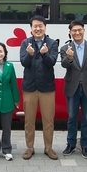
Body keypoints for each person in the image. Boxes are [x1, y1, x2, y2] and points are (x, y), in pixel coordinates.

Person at [19, 15, 60, 160]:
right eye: (35, 26)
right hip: (30, 87)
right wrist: (30, 55)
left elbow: (52, 62)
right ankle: (29, 148)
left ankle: (48, 148)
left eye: (40, 26)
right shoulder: (25, 43)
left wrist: (45, 54)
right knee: (29, 120)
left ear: (45, 27)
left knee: (48, 120)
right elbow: (24, 63)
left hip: (47, 88)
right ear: (31, 29)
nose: (38, 28)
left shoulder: (52, 43)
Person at [60, 20, 87, 159]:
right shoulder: (65, 48)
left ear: (84, 30)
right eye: (74, 30)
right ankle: (70, 144)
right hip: (72, 87)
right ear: (70, 32)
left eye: (79, 30)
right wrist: (69, 58)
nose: (77, 32)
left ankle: (85, 145)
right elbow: (64, 64)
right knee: (72, 117)